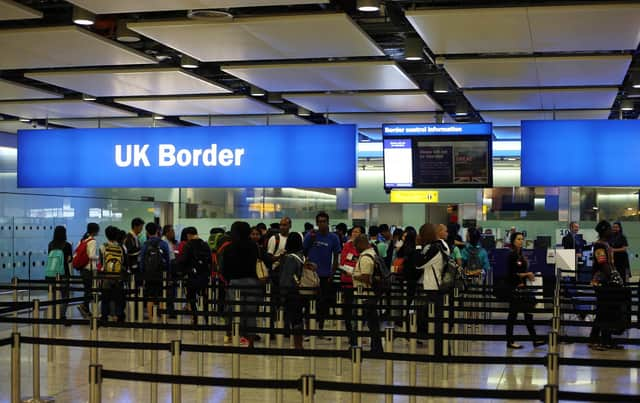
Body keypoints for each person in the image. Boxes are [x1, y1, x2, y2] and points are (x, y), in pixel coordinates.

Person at [589, 220, 628, 350]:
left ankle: (603, 339)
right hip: (602, 281)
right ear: (604, 231)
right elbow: (602, 263)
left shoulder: (606, 244)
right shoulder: (600, 245)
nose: (612, 231)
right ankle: (599, 340)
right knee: (603, 310)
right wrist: (613, 276)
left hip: (607, 280)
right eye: (610, 229)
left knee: (604, 311)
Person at [222, 221, 260, 348]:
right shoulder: (254, 246)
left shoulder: (229, 248)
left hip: (235, 282)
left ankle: (236, 338)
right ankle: (251, 342)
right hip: (252, 282)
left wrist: (229, 279)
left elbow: (224, 269)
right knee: (250, 312)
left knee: (236, 312)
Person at [303, 211, 341, 336]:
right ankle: (308, 329)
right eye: (319, 221)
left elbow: (336, 256)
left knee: (322, 303)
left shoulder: (333, 238)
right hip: (311, 275)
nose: (321, 224)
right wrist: (311, 239)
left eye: (324, 221)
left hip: (325, 275)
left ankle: (320, 328)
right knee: (309, 302)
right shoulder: (311, 235)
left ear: (328, 222)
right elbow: (304, 251)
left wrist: (333, 272)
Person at [505, 232, 545, 349]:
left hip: (523, 288)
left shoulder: (521, 255)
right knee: (512, 316)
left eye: (522, 239)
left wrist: (528, 275)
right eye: (518, 239)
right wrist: (526, 274)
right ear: (513, 241)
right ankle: (510, 341)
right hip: (515, 288)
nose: (521, 241)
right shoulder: (511, 255)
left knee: (528, 314)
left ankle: (535, 339)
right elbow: (512, 274)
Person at [352, 234, 383, 353]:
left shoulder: (365, 257)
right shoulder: (373, 254)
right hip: (371, 295)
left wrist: (354, 274)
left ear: (361, 244)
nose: (356, 248)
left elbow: (366, 277)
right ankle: (376, 347)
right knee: (373, 324)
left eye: (356, 246)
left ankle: (356, 346)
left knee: (361, 322)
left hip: (365, 295)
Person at [179, 227, 212, 325]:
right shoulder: (205, 244)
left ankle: (195, 318)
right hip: (204, 276)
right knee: (205, 297)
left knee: (192, 298)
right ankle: (207, 319)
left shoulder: (188, 245)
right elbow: (209, 260)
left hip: (192, 276)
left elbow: (184, 260)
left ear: (189, 235)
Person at [278, 232, 306, 349]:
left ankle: (297, 345)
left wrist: (282, 294)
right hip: (301, 291)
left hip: (291, 292)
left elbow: (286, 278)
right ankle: (299, 344)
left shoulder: (289, 258)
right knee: (299, 319)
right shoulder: (302, 256)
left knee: (294, 319)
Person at [139, 222, 171, 321]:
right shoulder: (163, 244)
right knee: (162, 294)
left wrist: (143, 273)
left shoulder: (145, 244)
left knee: (150, 295)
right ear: (157, 231)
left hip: (149, 274)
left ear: (147, 232)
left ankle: (151, 317)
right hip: (161, 274)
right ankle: (162, 316)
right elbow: (168, 260)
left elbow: (142, 261)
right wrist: (168, 273)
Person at [339, 225, 363, 346]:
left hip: (359, 283)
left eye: (357, 232)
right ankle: (350, 334)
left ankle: (358, 333)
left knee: (359, 310)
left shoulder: (363, 247)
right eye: (353, 231)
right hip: (347, 281)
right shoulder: (346, 246)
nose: (355, 234)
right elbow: (342, 262)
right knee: (348, 310)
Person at [45, 225, 72, 324]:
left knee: (53, 296)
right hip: (63, 273)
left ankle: (53, 316)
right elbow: (70, 260)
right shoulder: (67, 245)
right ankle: (62, 316)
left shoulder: (50, 244)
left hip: (51, 274)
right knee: (65, 296)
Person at [99, 225, 126, 323]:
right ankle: (119, 315)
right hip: (118, 276)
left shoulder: (103, 246)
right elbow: (123, 261)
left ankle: (104, 316)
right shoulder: (121, 247)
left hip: (106, 275)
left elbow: (101, 262)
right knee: (118, 297)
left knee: (105, 297)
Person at [75, 222, 100, 319]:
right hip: (89, 269)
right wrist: (100, 258)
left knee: (87, 289)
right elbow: (91, 256)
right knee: (89, 290)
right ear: (95, 231)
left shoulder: (83, 239)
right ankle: (84, 306)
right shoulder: (92, 241)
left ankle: (86, 309)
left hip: (82, 268)